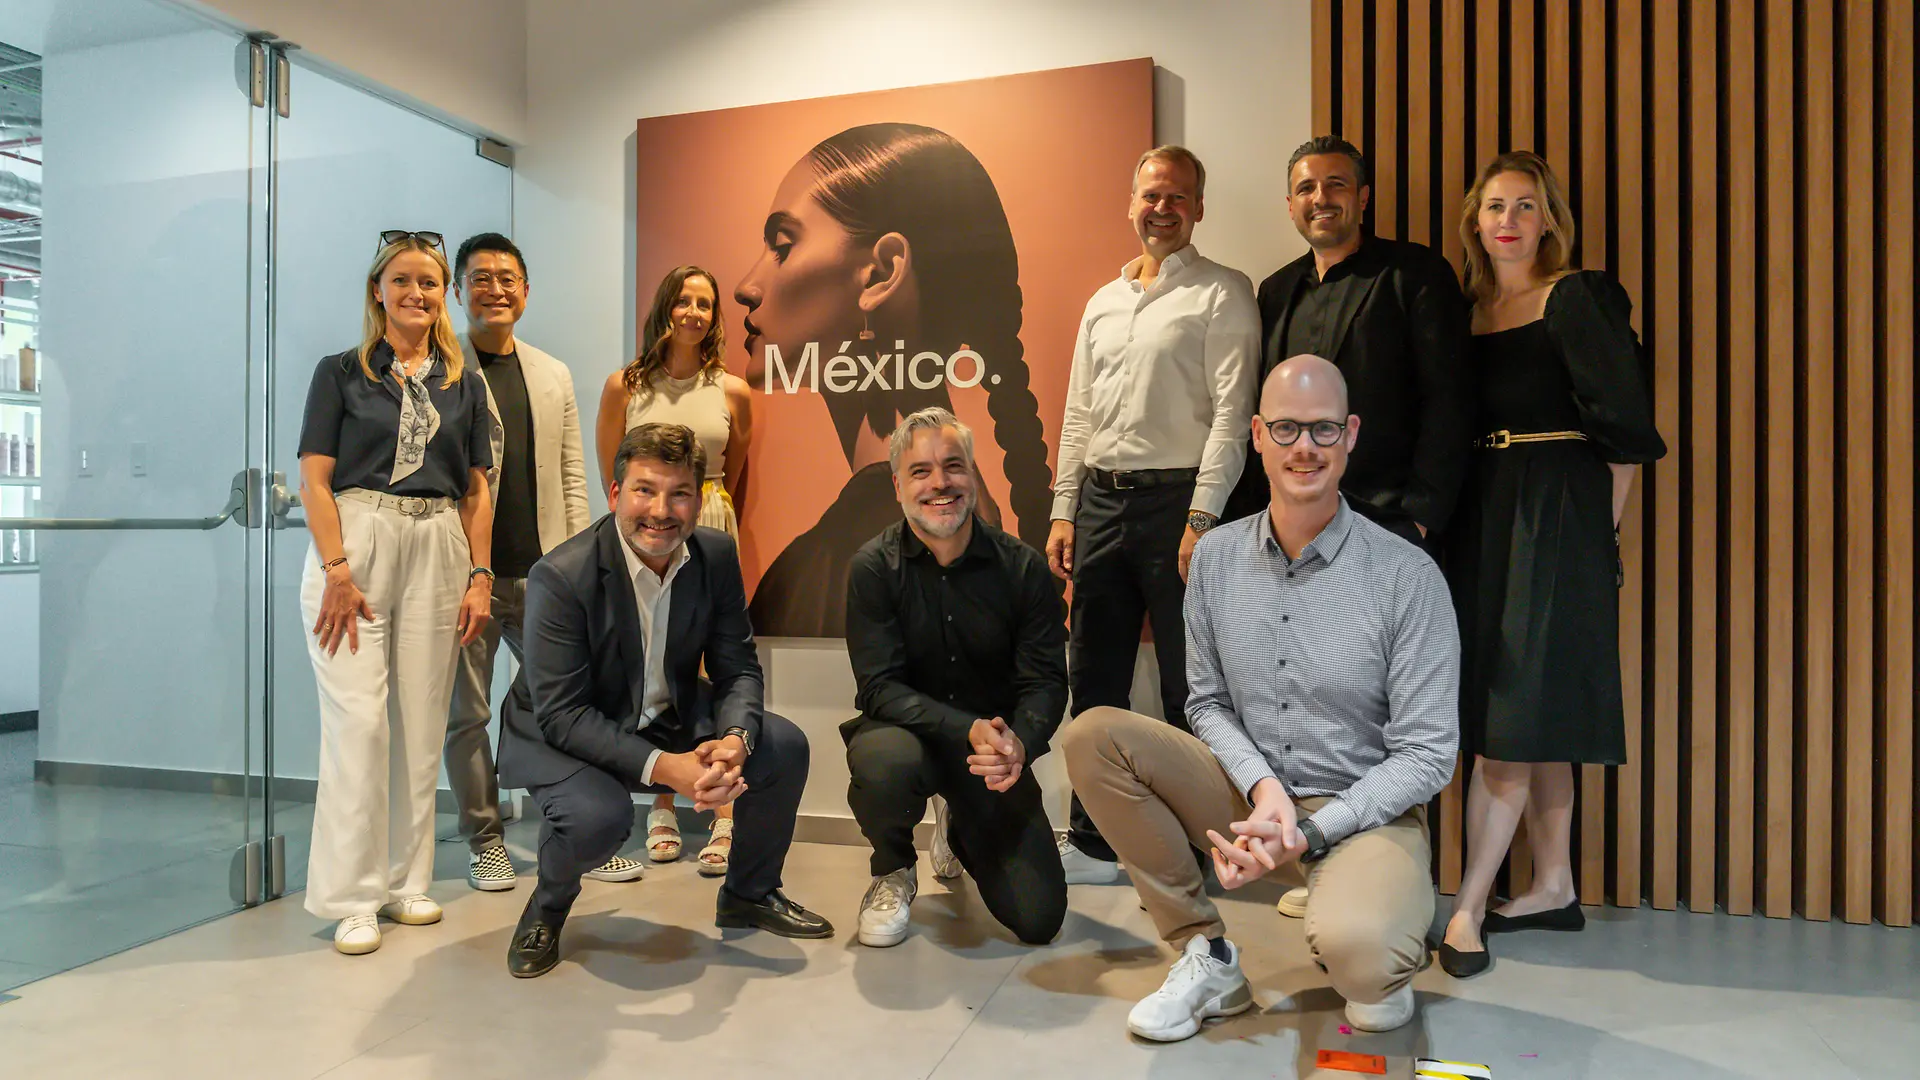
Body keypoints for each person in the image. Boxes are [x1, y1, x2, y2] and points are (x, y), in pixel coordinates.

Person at [1062, 355, 1460, 1040]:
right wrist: (1265, 790)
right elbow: (1206, 703)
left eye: (1323, 429)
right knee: (1093, 736)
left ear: (1351, 435)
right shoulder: (1214, 558)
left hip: (1358, 814)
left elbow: (1428, 756)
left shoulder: (1407, 576)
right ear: (1255, 434)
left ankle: (1372, 933)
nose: (1304, 447)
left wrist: (1308, 831)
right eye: (1285, 428)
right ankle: (1203, 952)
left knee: (1364, 970)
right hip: (1252, 801)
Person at [1224, 134, 1472, 920]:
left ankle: (1386, 875)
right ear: (1290, 201)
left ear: (1363, 198)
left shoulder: (1415, 277)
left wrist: (1425, 519)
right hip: (1296, 536)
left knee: (1388, 714)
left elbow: (1450, 402)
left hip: (1392, 528)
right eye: (1305, 188)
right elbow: (1256, 419)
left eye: (1336, 186)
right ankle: (1317, 861)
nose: (1320, 199)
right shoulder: (1275, 291)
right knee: (1306, 700)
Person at [1437, 152, 1666, 978]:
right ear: (1476, 220)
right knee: (1525, 704)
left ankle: (1467, 907)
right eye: (1494, 205)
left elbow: (1629, 433)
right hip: (1487, 511)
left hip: (1557, 511)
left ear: (1548, 222)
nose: (1508, 220)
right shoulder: (1469, 313)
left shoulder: (1576, 298)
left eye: (1525, 206)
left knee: (1512, 709)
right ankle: (1554, 883)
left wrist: (1599, 539)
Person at [497, 423, 831, 979]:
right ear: (615, 495)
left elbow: (738, 666)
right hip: (570, 728)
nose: (661, 510)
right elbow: (563, 714)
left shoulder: (715, 555)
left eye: (679, 494)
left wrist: (733, 741)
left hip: (665, 711)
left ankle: (749, 894)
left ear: (698, 500)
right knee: (599, 818)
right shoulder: (559, 576)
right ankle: (548, 907)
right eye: (645, 490)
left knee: (783, 746)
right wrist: (665, 769)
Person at [735, 122, 1054, 639]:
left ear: (882, 273)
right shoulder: (960, 526)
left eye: (782, 244)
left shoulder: (849, 554)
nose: (746, 286)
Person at [1047, 145, 1259, 884]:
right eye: (1150, 196)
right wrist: (1063, 510)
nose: (1161, 209)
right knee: (1093, 677)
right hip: (1101, 503)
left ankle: (1199, 847)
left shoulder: (1223, 292)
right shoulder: (1101, 302)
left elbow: (1234, 417)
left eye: (1177, 197)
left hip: (1180, 507)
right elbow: (1078, 414)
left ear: (1197, 209)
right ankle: (1097, 840)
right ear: (1130, 203)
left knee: (1189, 687)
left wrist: (1203, 518)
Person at [296, 230, 496, 955]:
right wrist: (338, 570)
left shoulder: (462, 381)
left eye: (431, 282)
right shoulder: (341, 372)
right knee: (360, 726)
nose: (418, 292)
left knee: (419, 721)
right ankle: (351, 896)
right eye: (404, 279)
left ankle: (406, 881)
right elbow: (314, 479)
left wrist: (480, 573)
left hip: (438, 543)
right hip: (358, 541)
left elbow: (478, 486)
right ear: (378, 288)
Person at [843, 407, 1069, 949]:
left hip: (988, 757)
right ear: (898, 484)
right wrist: (965, 727)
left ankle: (956, 819)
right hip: (907, 738)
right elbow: (878, 688)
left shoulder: (1024, 568)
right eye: (921, 471)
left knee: (1039, 921)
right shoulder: (873, 567)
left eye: (953, 466)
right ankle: (893, 868)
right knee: (882, 764)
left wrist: (1020, 744)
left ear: (973, 475)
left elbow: (1045, 680)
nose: (940, 483)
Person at [443, 232, 620, 894]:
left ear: (526, 290)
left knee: (569, 702)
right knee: (468, 713)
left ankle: (579, 832)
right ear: (460, 292)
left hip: (543, 574)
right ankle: (484, 839)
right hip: (468, 578)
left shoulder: (552, 373)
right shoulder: (443, 368)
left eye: (507, 278)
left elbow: (574, 474)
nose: (496, 289)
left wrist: (580, 565)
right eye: (481, 278)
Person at [596, 265, 754, 877]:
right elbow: (615, 473)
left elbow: (734, 470)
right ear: (664, 306)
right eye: (684, 300)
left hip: (709, 515)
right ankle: (662, 807)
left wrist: (708, 514)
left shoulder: (732, 390)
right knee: (658, 661)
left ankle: (724, 813)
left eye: (705, 304)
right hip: (645, 530)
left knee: (717, 666)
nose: (694, 312)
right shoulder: (624, 385)